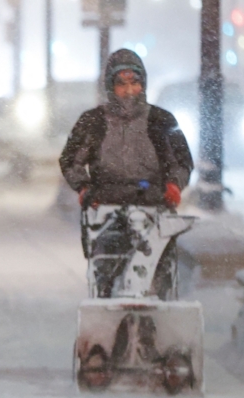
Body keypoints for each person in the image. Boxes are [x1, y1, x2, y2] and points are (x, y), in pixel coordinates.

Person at [59, 49, 193, 298]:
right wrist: (84, 188)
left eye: (134, 83)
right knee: (107, 277)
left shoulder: (161, 121)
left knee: (157, 277)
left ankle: (159, 323)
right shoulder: (93, 122)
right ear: (111, 87)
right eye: (122, 84)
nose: (129, 90)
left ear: (143, 84)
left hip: (154, 208)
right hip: (107, 211)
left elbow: (182, 162)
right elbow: (70, 160)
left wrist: (174, 186)